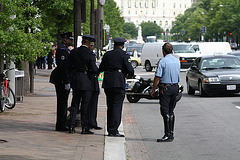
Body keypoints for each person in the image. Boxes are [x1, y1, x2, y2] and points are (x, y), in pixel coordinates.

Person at [99, 38, 134, 137]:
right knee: (117, 106)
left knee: (110, 106)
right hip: (118, 81)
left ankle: (110, 128)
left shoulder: (107, 54)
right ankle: (113, 130)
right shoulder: (124, 55)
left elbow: (101, 68)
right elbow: (130, 70)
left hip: (108, 81)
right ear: (122, 45)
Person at [150, 42, 180, 142]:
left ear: (163, 51)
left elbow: (157, 77)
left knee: (165, 111)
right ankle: (171, 134)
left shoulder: (163, 61)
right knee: (171, 111)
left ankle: (167, 134)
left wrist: (153, 89)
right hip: (175, 87)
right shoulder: (177, 61)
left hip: (166, 88)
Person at [68, 35, 98, 134]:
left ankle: (71, 126)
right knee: (85, 105)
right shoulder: (90, 54)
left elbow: (68, 66)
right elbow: (94, 69)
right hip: (86, 81)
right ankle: (84, 127)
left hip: (76, 79)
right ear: (89, 43)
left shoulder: (74, 52)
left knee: (74, 104)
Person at [49, 32, 74, 131]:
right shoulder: (62, 50)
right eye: (70, 39)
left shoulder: (66, 49)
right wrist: (66, 81)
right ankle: (60, 124)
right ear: (65, 39)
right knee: (62, 102)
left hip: (62, 78)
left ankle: (61, 123)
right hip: (61, 79)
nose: (71, 41)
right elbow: (62, 68)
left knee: (63, 102)